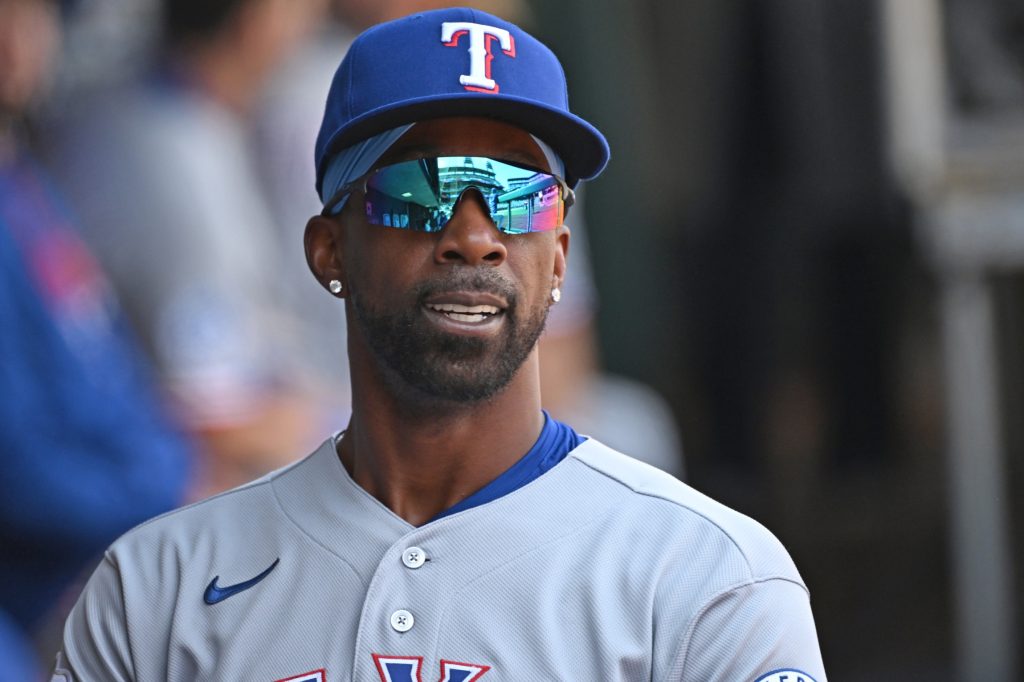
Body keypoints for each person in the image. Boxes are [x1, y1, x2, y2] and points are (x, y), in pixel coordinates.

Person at [52, 8, 827, 680]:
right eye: (419, 187)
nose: (473, 236)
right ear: (329, 250)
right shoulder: (156, 588)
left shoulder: (709, 579)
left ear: (557, 256)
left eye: (517, 191)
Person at [52, 0, 329, 497]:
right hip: (146, 513)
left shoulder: (152, 110)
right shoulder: (173, 164)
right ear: (257, 18)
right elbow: (217, 418)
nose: (314, 17)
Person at [0, 0, 192, 678]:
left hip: (118, 522)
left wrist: (181, 471)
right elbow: (18, 468)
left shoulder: (25, 179)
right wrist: (164, 499)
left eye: (30, 12)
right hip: (48, 579)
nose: (16, 35)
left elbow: (110, 375)